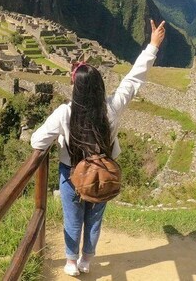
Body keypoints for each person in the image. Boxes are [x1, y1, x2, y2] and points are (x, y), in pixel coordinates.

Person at [31, 19, 166, 276]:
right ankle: (86, 260)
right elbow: (132, 80)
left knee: (73, 218)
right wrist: (153, 46)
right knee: (94, 218)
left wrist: (59, 139)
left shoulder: (65, 113)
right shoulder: (112, 108)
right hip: (104, 172)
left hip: (71, 174)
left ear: (76, 89)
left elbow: (37, 141)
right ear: (99, 87)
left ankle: (70, 262)